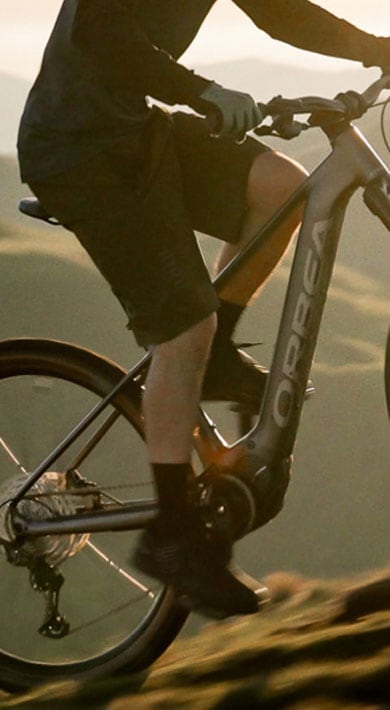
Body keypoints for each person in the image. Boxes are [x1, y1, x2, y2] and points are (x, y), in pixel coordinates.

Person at [17, 0, 389, 617]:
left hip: (135, 131)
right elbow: (101, 33)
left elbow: (283, 14)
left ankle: (214, 356)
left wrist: (377, 48)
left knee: (280, 189)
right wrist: (204, 90)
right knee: (184, 329)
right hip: (80, 154)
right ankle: (174, 536)